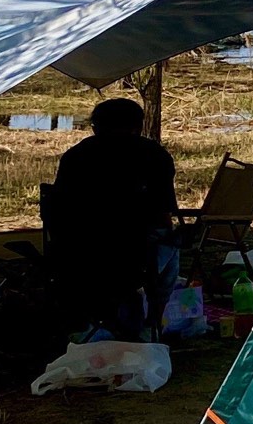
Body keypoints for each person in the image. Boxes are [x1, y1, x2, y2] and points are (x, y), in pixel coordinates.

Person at [51, 96, 180, 338]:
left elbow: (57, 212)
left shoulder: (76, 156)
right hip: (133, 254)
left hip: (77, 254)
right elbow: (164, 213)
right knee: (170, 250)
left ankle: (91, 324)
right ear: (139, 126)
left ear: (96, 127)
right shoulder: (153, 155)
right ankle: (151, 324)